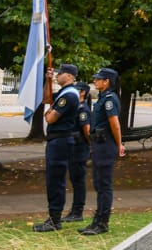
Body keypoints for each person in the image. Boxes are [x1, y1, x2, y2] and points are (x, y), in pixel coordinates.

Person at [34, 63, 82, 232]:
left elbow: (51, 118)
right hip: (57, 141)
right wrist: (48, 81)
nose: (57, 75)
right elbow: (47, 99)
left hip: (61, 141)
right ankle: (53, 217)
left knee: (56, 180)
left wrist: (48, 113)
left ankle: (55, 220)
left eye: (60, 73)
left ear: (69, 76)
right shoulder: (63, 92)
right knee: (52, 179)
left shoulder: (69, 95)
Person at [80, 67, 125, 236]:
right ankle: (97, 220)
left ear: (107, 82)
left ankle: (102, 222)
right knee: (99, 184)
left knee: (104, 185)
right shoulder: (103, 97)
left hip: (105, 145)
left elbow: (115, 124)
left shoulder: (109, 99)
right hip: (99, 144)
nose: (95, 81)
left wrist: (119, 144)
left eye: (98, 79)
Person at [63, 81, 92, 223]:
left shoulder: (83, 109)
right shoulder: (76, 107)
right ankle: (75, 210)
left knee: (78, 180)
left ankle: (77, 211)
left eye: (76, 89)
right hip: (73, 147)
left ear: (83, 92)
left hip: (79, 148)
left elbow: (86, 129)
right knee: (74, 179)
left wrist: (90, 146)